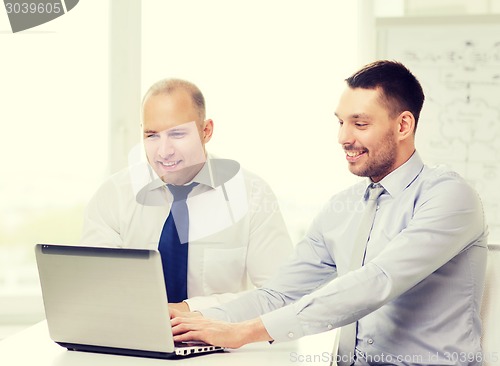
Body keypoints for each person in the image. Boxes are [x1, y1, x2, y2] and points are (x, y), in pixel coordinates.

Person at [170, 61, 489, 366]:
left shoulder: (449, 197)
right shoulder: (343, 208)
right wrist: (192, 322)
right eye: (341, 122)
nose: (343, 138)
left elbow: (378, 281)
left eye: (360, 124)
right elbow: (278, 294)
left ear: (403, 125)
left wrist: (244, 332)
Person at [81, 78, 293, 312]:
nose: (164, 151)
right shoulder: (114, 196)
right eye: (152, 135)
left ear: (206, 131)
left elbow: (280, 295)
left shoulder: (252, 195)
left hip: (219, 344)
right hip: (129, 342)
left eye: (178, 134)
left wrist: (191, 310)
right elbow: (96, 291)